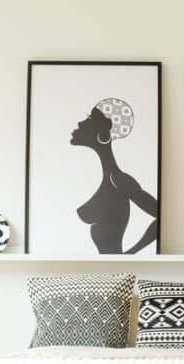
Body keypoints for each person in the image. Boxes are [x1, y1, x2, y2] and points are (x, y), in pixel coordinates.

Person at [71, 98, 158, 254]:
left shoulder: (118, 180)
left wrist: (130, 255)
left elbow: (161, 216)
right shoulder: (108, 178)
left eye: (89, 118)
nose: (80, 123)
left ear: (104, 129)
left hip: (114, 267)